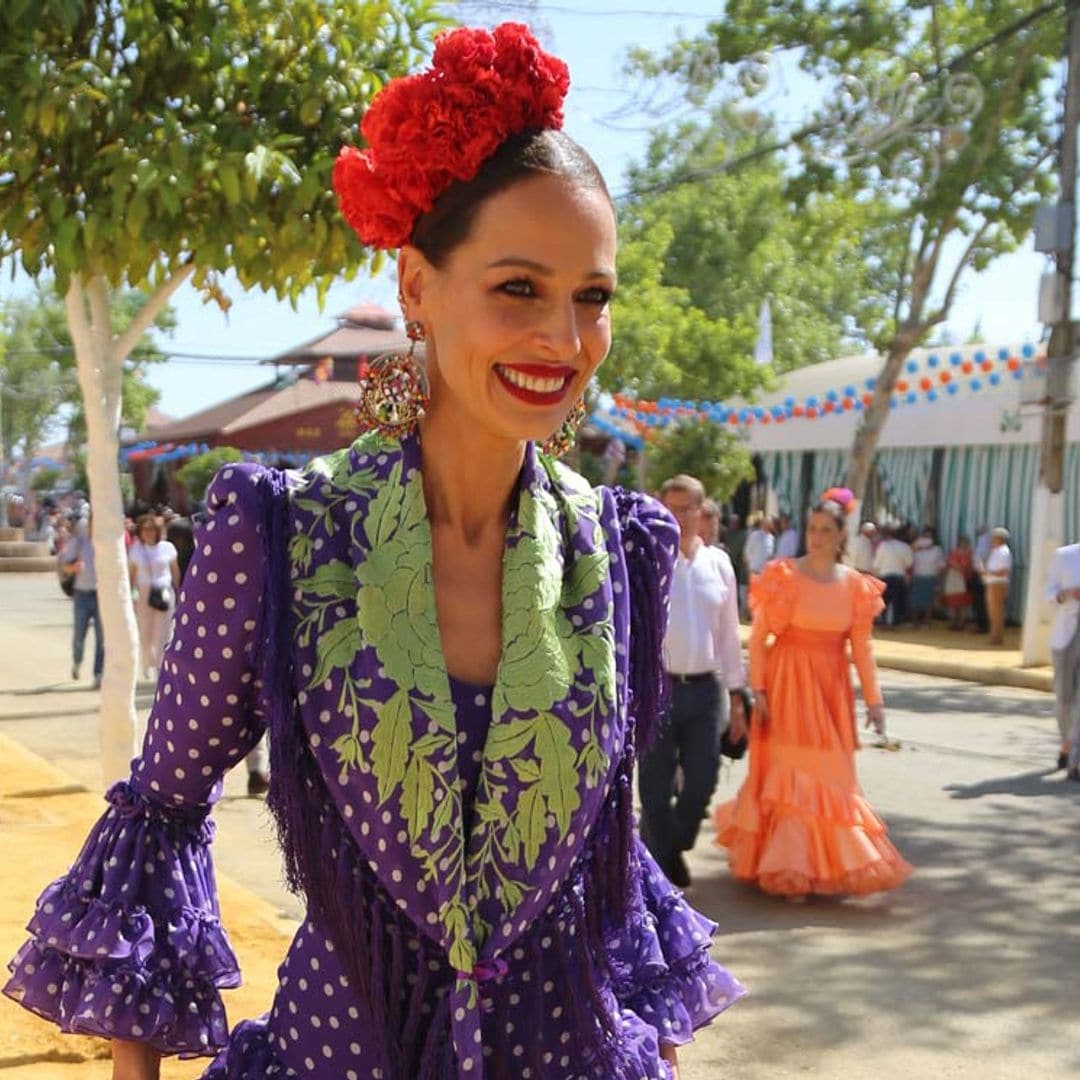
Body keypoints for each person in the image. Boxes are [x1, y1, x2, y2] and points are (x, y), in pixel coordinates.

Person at [4, 25, 745, 1080]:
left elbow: (605, 868)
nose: (567, 340)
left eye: (593, 297)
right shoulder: (283, 534)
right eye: (520, 288)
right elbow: (164, 811)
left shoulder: (620, 550)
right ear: (415, 286)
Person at [713, 487, 911, 898]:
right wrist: (760, 689)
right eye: (812, 528)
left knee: (831, 776)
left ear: (841, 535)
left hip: (830, 690)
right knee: (789, 776)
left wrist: (874, 701)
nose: (816, 536)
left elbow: (863, 648)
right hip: (786, 688)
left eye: (825, 530)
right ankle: (789, 870)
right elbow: (761, 637)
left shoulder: (856, 586)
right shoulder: (783, 574)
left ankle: (820, 865)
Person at [640, 475, 747, 889]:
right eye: (671, 508)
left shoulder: (718, 563)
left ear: (702, 513)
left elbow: (728, 634)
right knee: (654, 785)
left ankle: (669, 846)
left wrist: (738, 695)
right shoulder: (649, 559)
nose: (679, 517)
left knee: (703, 778)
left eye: (687, 509)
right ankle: (664, 864)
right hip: (659, 688)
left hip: (705, 690)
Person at [127, 514, 180, 680]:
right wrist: (132, 596)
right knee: (145, 631)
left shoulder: (168, 548)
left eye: (152, 529)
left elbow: (175, 572)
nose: (148, 532)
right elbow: (132, 576)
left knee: (163, 632)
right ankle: (147, 663)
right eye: (145, 529)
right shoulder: (136, 550)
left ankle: (160, 665)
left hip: (164, 592)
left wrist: (179, 592)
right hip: (144, 592)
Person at [1045, 541, 1080, 777]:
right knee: (1064, 699)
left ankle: (1075, 759)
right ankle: (1066, 745)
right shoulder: (1065, 555)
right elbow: (1047, 591)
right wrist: (1065, 594)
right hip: (1066, 633)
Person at [58, 513, 104, 689]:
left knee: (102, 638)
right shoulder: (80, 542)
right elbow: (65, 567)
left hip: (101, 595)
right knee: (79, 634)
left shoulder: (107, 544)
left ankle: (98, 674)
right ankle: (77, 661)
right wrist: (74, 567)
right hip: (82, 594)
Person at [872, 524, 913, 627]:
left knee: (884, 600)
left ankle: (883, 621)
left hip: (885, 576)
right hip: (899, 577)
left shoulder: (883, 546)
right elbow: (909, 563)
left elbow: (876, 564)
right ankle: (894, 622)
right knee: (897, 600)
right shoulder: (905, 546)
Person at [909, 527, 945, 627]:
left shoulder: (937, 550)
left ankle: (926, 620)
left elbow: (941, 566)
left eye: (929, 536)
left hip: (930, 576)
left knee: (928, 601)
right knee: (915, 600)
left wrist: (939, 581)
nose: (927, 538)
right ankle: (914, 621)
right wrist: (922, 547)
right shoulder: (917, 546)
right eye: (925, 535)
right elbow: (908, 551)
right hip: (918, 576)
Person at [983, 526, 1012, 646]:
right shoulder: (996, 551)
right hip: (993, 583)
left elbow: (1005, 571)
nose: (991, 540)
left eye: (993, 537)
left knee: (997, 612)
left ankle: (997, 637)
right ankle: (994, 635)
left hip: (998, 584)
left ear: (999, 539)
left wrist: (988, 572)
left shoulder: (1003, 552)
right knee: (993, 612)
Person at [943, 535, 974, 631]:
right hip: (954, 578)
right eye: (963, 542)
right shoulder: (955, 553)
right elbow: (951, 564)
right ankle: (954, 622)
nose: (965, 544)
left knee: (963, 603)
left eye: (966, 542)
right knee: (953, 602)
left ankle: (961, 623)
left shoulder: (970, 554)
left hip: (964, 579)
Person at [970, 523, 991, 633]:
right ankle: (982, 624)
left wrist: (980, 572)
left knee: (980, 602)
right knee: (981, 602)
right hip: (983, 575)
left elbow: (979, 559)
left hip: (981, 575)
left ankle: (982, 625)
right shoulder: (985, 541)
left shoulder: (983, 542)